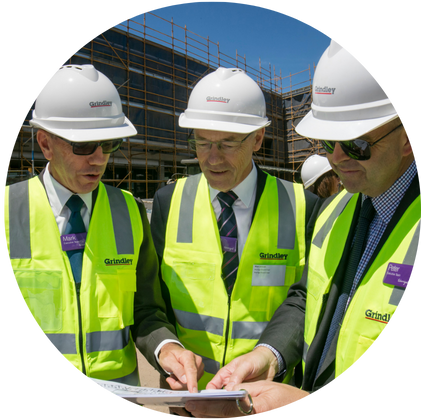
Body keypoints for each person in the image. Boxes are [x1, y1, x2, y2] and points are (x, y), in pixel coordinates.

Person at [187, 37, 420, 415]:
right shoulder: (334, 211)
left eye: (357, 144)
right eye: (327, 141)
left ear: (408, 138)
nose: (338, 158)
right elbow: (308, 297)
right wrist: (268, 355)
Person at [2, 64, 202, 390]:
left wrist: (167, 348)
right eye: (83, 146)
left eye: (108, 144)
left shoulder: (130, 211)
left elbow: (146, 309)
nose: (98, 159)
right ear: (46, 144)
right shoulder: (5, 211)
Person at [150, 67, 320, 391]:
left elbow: (308, 298)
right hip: (189, 395)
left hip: (268, 392)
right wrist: (166, 349)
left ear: (258, 138)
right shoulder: (168, 202)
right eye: (201, 143)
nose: (212, 159)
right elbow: (152, 302)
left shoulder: (303, 206)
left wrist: (272, 355)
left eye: (228, 144)